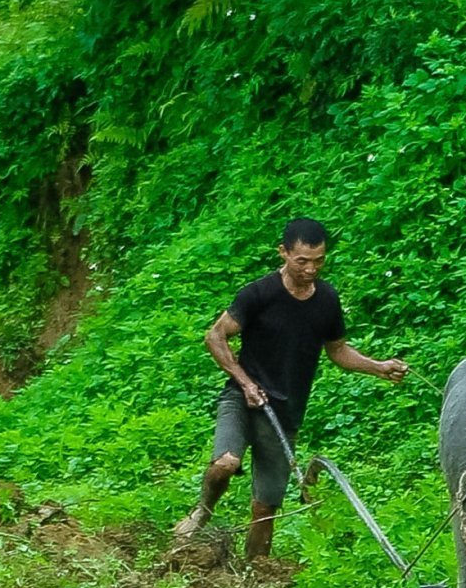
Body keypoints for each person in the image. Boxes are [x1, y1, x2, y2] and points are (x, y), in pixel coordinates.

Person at [170, 216, 409, 563]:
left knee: (265, 508)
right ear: (283, 253)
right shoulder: (259, 294)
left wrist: (379, 367)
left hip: (285, 411)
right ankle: (202, 511)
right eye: (302, 261)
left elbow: (338, 350)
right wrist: (246, 383)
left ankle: (255, 573)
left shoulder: (327, 300)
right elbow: (215, 336)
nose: (311, 269)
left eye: (319, 261)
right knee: (225, 462)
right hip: (242, 398)